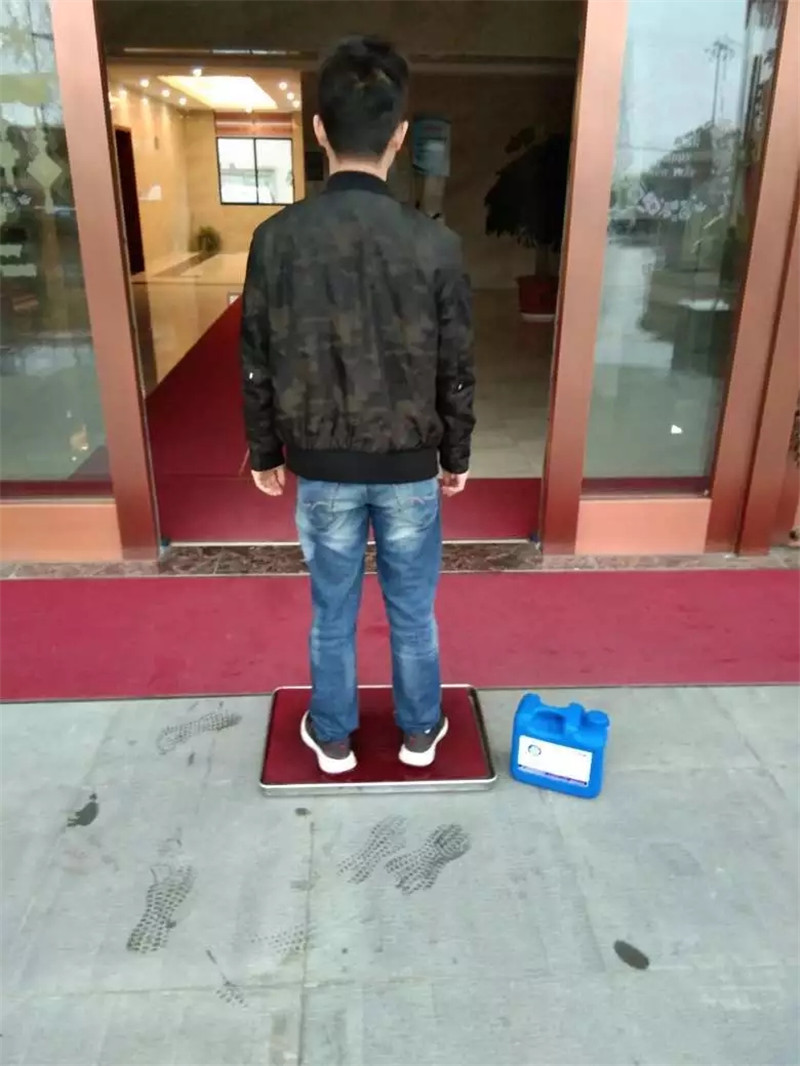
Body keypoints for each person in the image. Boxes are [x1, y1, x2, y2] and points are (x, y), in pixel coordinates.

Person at [239, 35, 475, 775]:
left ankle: (334, 735)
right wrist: (455, 452)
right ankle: (420, 731)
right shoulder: (436, 244)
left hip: (322, 468)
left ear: (319, 130)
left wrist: (265, 449)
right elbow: (456, 361)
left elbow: (257, 355)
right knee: (413, 610)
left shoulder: (275, 240)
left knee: (331, 610)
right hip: (409, 467)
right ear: (400, 136)